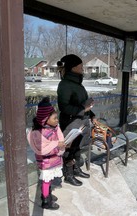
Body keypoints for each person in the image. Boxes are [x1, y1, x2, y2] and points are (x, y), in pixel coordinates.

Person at [57, 54, 95, 187]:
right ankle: (68, 175)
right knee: (69, 149)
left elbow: (82, 104)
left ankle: (76, 169)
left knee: (77, 148)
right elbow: (64, 107)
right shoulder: (65, 84)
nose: (83, 68)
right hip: (70, 122)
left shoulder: (78, 84)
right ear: (73, 68)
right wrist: (83, 109)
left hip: (81, 121)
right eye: (80, 66)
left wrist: (91, 113)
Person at [27, 97, 65, 210]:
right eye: (54, 118)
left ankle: (46, 194)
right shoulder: (39, 133)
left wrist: (61, 144)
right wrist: (57, 145)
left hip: (52, 161)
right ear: (45, 120)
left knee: (49, 180)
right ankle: (45, 201)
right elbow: (42, 149)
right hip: (46, 162)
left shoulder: (52, 128)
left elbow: (58, 139)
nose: (57, 120)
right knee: (46, 180)